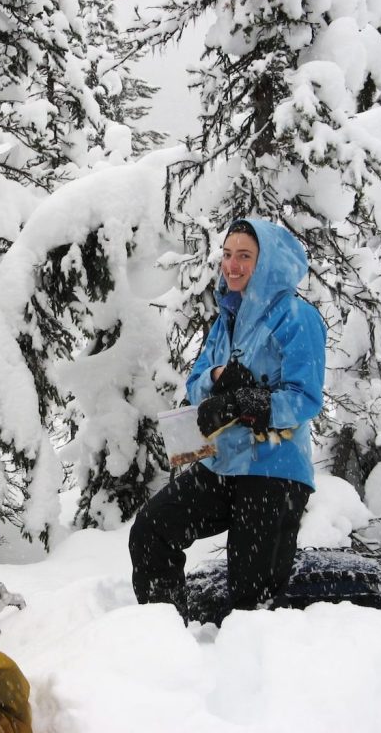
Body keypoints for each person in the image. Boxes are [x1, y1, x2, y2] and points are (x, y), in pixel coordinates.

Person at [129, 218, 326, 620]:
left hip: (275, 471)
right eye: (228, 255)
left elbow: (305, 398)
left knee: (252, 602)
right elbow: (197, 378)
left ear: (266, 263)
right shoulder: (226, 319)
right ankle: (162, 637)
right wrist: (219, 381)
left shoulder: (295, 316)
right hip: (224, 464)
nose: (232, 266)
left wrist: (250, 401)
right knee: (152, 530)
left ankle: (254, 672)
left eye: (245, 256)